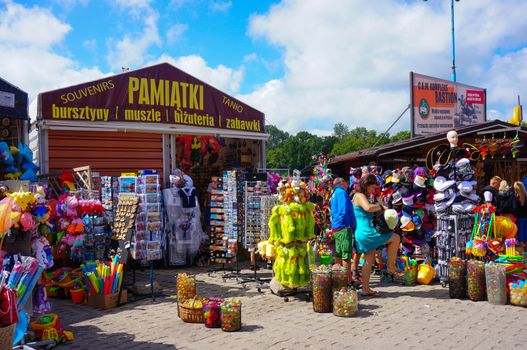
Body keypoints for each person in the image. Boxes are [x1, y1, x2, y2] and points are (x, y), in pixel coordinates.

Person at [353, 174, 400, 297]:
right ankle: (391, 267)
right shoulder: (359, 195)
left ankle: (366, 288)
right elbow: (368, 208)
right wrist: (380, 206)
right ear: (366, 185)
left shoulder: (362, 196)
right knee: (395, 238)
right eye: (372, 187)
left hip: (363, 232)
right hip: (367, 232)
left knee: (368, 259)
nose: (373, 190)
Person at [330, 177, 356, 284]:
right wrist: (346, 225)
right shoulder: (341, 192)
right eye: (346, 182)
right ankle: (347, 281)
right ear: (341, 183)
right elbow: (343, 210)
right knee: (346, 255)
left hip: (337, 227)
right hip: (343, 227)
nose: (347, 184)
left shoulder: (334, 194)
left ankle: (339, 279)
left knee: (339, 254)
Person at [513, 181, 527, 252]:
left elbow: (515, 208)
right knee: (525, 231)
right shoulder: (525, 195)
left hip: (519, 217)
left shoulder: (516, 197)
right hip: (526, 216)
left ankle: (522, 249)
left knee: (520, 232)